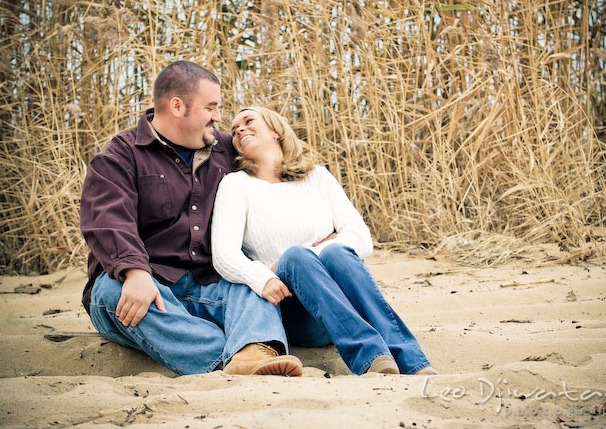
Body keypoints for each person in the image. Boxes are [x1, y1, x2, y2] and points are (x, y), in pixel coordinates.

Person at [80, 62, 303, 376]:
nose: (218, 117)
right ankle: (224, 357)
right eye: (211, 107)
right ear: (177, 106)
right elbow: (107, 220)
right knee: (112, 293)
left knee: (250, 281)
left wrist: (320, 235)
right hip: (147, 282)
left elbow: (277, 175)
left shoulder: (227, 150)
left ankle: (254, 351)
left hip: (209, 284)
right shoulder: (120, 156)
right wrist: (134, 272)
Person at [211, 106, 437, 375]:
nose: (239, 130)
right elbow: (224, 255)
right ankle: (371, 358)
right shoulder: (236, 185)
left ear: (275, 131)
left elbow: (361, 239)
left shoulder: (317, 177)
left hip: (343, 302)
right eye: (234, 130)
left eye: (248, 122)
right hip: (295, 310)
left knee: (337, 254)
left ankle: (412, 362)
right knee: (297, 257)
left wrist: (311, 250)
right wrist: (265, 276)